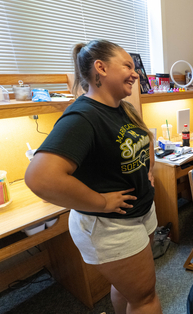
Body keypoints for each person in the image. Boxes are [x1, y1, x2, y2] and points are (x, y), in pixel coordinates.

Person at [25, 40, 162, 313]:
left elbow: (141, 141)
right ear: (101, 67)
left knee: (128, 288)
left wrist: (148, 168)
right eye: (127, 66)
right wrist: (101, 202)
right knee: (144, 298)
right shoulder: (83, 116)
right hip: (110, 225)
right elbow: (40, 178)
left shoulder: (122, 108)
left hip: (138, 213)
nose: (135, 73)